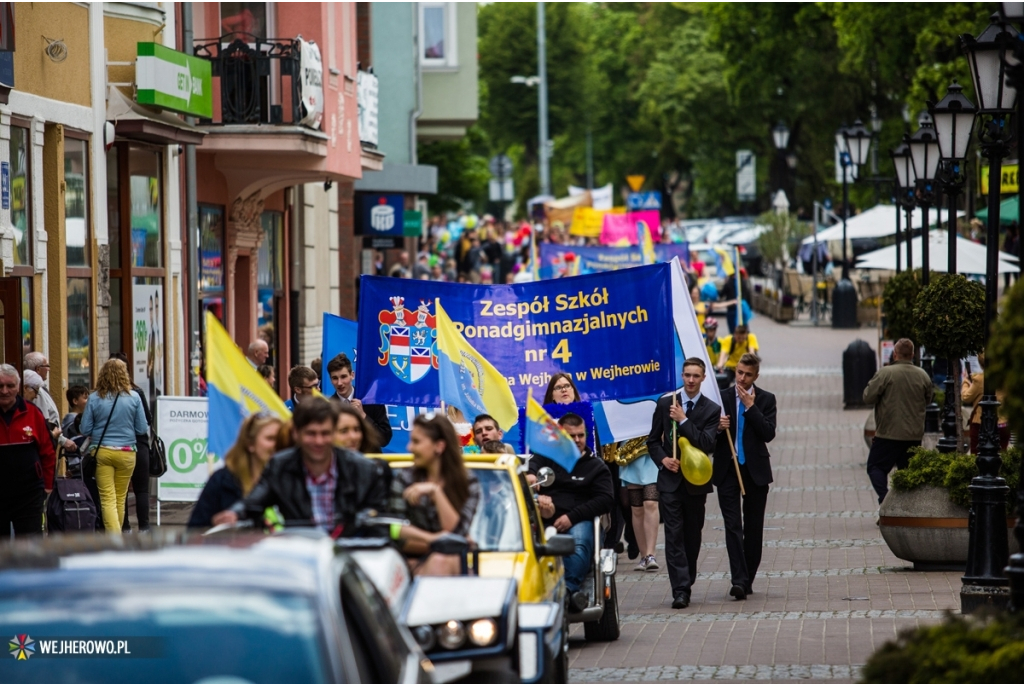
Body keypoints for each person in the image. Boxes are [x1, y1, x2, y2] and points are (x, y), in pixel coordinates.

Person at [224, 397, 390, 535]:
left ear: (333, 432)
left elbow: (378, 522)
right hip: (299, 559)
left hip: (350, 557)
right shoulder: (279, 465)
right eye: (311, 434)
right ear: (296, 434)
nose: (318, 441)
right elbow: (253, 502)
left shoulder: (365, 469)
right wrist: (234, 514)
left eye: (325, 433)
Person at [647, 358, 721, 609]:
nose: (690, 380)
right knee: (673, 535)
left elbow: (707, 443)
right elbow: (652, 441)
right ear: (681, 375)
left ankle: (686, 578)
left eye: (695, 376)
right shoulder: (666, 402)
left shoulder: (711, 410)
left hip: (695, 483)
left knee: (692, 535)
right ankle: (680, 589)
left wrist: (683, 421)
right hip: (669, 482)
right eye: (687, 375)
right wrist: (663, 459)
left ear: (702, 379)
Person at [529, 413, 614, 608]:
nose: (577, 440)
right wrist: (531, 476)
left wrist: (572, 517)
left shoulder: (596, 467)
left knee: (579, 542)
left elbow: (606, 499)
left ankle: (567, 592)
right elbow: (533, 464)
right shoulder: (546, 458)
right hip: (545, 519)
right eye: (571, 436)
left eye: (581, 435)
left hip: (579, 520)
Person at [713, 353, 777, 601]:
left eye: (748, 374)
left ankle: (747, 577)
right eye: (739, 372)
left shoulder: (766, 399)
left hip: (755, 471)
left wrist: (751, 407)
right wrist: (717, 427)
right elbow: (707, 434)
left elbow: (768, 433)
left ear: (756, 376)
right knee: (733, 526)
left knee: (753, 528)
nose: (742, 378)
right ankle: (738, 580)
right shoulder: (722, 397)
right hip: (728, 469)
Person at [388, 413, 482, 575]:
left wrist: (436, 492)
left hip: (454, 567)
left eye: (416, 442)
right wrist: (432, 539)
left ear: (439, 446)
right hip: (408, 567)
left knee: (442, 560)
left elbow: (456, 534)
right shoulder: (404, 478)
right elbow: (394, 529)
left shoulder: (468, 482)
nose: (409, 448)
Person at [79, 359, 149, 535]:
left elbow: (85, 428)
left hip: (102, 451)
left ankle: (115, 539)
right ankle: (119, 537)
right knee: (120, 496)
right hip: (127, 452)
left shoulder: (94, 398)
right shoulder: (134, 397)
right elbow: (141, 428)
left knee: (107, 498)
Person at [862, 338, 933, 504]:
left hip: (888, 433)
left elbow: (867, 397)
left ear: (895, 354)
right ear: (913, 355)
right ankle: (903, 510)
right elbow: (928, 399)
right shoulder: (922, 375)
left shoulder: (886, 373)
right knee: (907, 474)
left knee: (875, 467)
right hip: (913, 435)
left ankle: (886, 500)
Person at [188, 412, 283, 528]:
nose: (277, 445)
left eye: (280, 439)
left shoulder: (290, 479)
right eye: (270, 439)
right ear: (250, 444)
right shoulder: (221, 481)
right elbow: (195, 530)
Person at [0, 364, 56, 537]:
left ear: (18, 387)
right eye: (0, 386)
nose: (4, 391)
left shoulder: (33, 413)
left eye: (10, 386)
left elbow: (48, 452)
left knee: (30, 546)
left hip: (29, 494)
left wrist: (47, 486)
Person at [110, 351, 154, 534]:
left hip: (114, 446)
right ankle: (144, 528)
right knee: (141, 489)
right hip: (139, 444)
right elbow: (147, 421)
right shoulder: (136, 392)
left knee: (120, 490)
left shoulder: (104, 395)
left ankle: (125, 527)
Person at [324, 353, 392, 447]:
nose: (339, 383)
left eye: (343, 377)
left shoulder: (371, 401)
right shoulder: (328, 407)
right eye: (335, 378)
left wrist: (363, 416)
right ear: (330, 380)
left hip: (368, 459)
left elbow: (384, 439)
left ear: (352, 375)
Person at [618, 436, 661, 572]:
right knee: (637, 509)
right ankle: (643, 556)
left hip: (652, 450)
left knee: (650, 503)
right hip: (632, 451)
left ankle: (651, 554)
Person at [23, 351, 78, 457]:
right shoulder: (34, 390)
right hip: (46, 442)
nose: (49, 369)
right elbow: (43, 422)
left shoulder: (38, 388)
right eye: (46, 366)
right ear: (38, 369)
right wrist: (61, 439)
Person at [960, 352, 1011, 453]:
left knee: (977, 453)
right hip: (1003, 424)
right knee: (1002, 455)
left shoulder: (979, 379)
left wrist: (965, 381)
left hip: (981, 423)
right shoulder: (1006, 377)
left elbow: (966, 397)